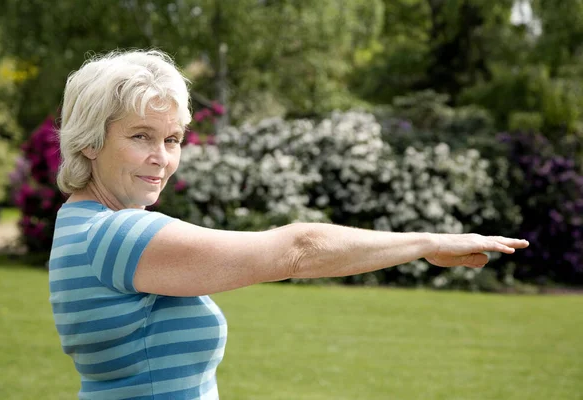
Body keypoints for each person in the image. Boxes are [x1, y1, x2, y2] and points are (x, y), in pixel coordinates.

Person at [49, 49, 529, 400]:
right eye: (141, 136)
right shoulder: (115, 235)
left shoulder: (78, 224)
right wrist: (428, 242)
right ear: (90, 140)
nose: (162, 158)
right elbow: (297, 249)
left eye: (172, 139)